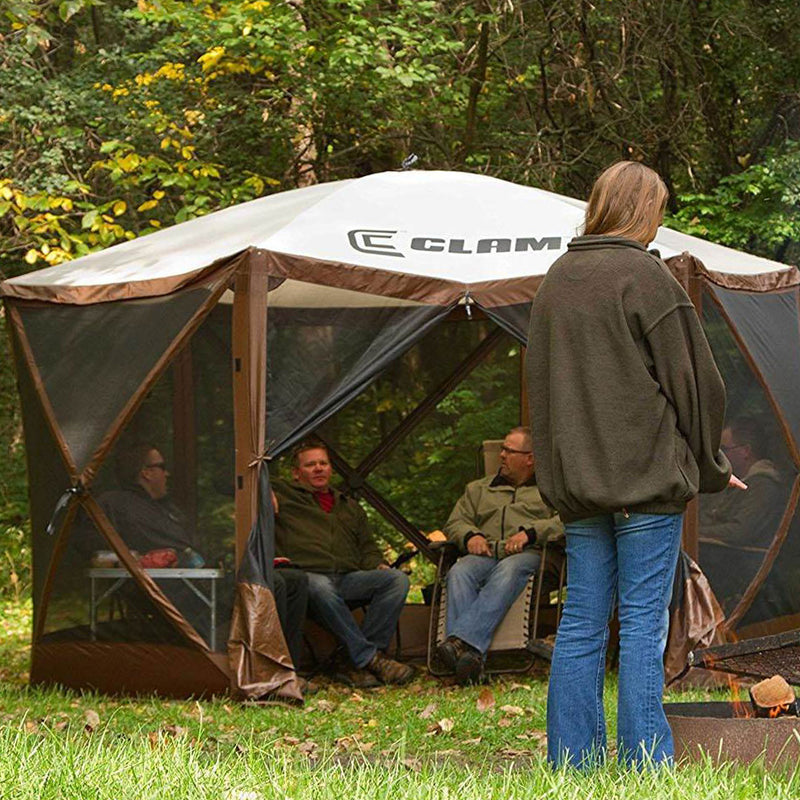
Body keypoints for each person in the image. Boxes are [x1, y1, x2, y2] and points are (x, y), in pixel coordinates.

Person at [525, 161, 745, 770]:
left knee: (583, 622)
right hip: (645, 484)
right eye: (660, 208)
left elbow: (539, 392)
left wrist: (558, 476)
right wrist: (708, 464)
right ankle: (645, 764)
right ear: (645, 210)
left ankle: (574, 765)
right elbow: (698, 387)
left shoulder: (556, 279)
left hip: (579, 487)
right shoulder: (644, 278)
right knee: (644, 625)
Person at [99, 443, 308, 666]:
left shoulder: (165, 508)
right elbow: (93, 541)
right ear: (146, 472)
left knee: (295, 580)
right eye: (162, 466)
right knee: (273, 583)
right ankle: (268, 666)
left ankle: (290, 665)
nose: (167, 473)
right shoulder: (117, 504)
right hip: (180, 590)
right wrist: (133, 556)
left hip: (204, 580)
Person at [272, 440, 413, 687]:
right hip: (306, 577)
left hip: (347, 578)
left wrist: (378, 564)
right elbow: (230, 482)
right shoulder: (282, 494)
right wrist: (262, 489)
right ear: (296, 473)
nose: (318, 469)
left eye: (323, 463)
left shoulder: (349, 506)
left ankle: (352, 662)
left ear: (331, 469)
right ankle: (371, 659)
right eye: (310, 465)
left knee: (396, 580)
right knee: (320, 585)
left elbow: (367, 548)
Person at [436, 426, 564, 684]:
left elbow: (566, 521)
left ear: (530, 458)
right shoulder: (478, 490)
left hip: (530, 555)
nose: (502, 455)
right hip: (485, 554)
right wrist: (471, 535)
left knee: (510, 568)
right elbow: (455, 522)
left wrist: (530, 533)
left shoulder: (550, 491)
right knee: (460, 571)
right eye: (502, 449)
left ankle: (459, 642)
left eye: (509, 450)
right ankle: (469, 661)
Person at [699, 416, 788, 615]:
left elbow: (740, 531)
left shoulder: (764, 486)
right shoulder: (736, 484)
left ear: (746, 451)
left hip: (742, 577)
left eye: (725, 449)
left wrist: (695, 533)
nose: (721, 455)